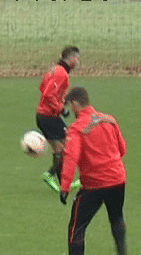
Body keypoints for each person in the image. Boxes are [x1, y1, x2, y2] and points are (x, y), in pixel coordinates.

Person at [58, 87, 129, 255]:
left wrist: (64, 187)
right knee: (116, 216)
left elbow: (71, 158)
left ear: (74, 104)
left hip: (95, 185)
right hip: (117, 179)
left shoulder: (77, 128)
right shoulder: (110, 120)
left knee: (76, 227)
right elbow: (122, 149)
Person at [36, 46, 80, 193]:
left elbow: (42, 87)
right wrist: (62, 109)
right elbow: (48, 94)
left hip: (47, 116)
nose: (78, 62)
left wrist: (61, 101)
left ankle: (63, 186)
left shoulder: (55, 70)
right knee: (65, 148)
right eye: (77, 59)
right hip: (48, 117)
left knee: (63, 148)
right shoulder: (61, 73)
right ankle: (50, 174)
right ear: (72, 58)